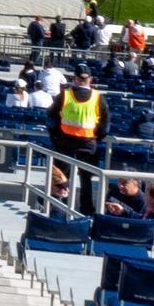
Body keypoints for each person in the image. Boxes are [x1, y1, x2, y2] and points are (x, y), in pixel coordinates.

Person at [48, 67, 108, 213]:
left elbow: (51, 117)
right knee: (86, 180)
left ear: (74, 78)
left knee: (62, 177)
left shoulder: (64, 95)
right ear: (91, 80)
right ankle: (86, 211)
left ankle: (58, 207)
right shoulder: (98, 97)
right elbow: (105, 123)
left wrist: (55, 136)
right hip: (87, 144)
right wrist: (98, 137)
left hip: (65, 142)